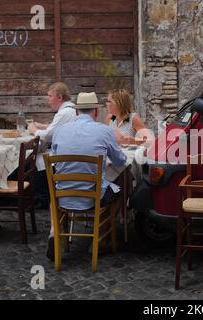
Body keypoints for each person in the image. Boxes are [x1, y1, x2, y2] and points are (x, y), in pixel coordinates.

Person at [46, 92, 126, 261]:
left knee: (53, 194)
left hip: (62, 197)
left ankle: (55, 233)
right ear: (96, 112)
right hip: (93, 198)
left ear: (76, 112)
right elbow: (120, 161)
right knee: (122, 185)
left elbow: (55, 161)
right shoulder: (104, 131)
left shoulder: (59, 131)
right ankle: (101, 238)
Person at [28, 82, 77, 208]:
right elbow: (59, 128)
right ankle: (41, 196)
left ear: (60, 97)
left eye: (50, 96)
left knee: (36, 157)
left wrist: (33, 128)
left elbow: (48, 135)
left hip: (64, 156)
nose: (48, 100)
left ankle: (42, 198)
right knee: (38, 156)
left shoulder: (64, 112)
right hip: (70, 152)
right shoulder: (71, 109)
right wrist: (43, 126)